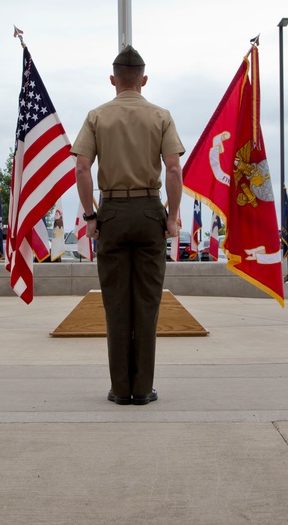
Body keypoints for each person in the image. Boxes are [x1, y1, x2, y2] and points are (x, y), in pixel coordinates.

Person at [71, 45, 184, 405]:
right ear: (144, 80)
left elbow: (82, 168)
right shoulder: (161, 116)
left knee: (116, 306)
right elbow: (174, 168)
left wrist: (91, 217)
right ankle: (143, 388)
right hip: (151, 210)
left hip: (113, 214)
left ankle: (121, 389)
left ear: (112, 80)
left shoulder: (96, 116)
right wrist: (172, 216)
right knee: (147, 305)